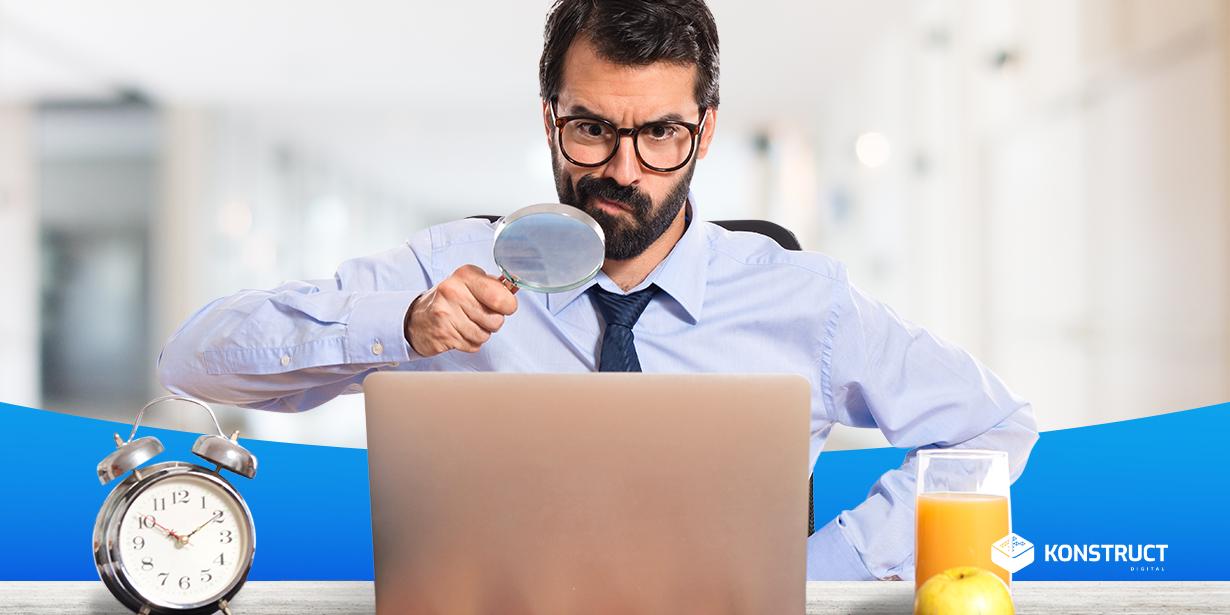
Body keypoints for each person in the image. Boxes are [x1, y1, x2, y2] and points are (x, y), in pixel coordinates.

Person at [158, 0, 1037, 582]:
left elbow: (995, 426)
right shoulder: (448, 267)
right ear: (550, 117)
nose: (621, 170)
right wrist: (400, 323)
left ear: (707, 130)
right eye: (590, 129)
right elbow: (193, 360)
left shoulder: (808, 302)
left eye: (659, 132)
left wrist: (825, 570)